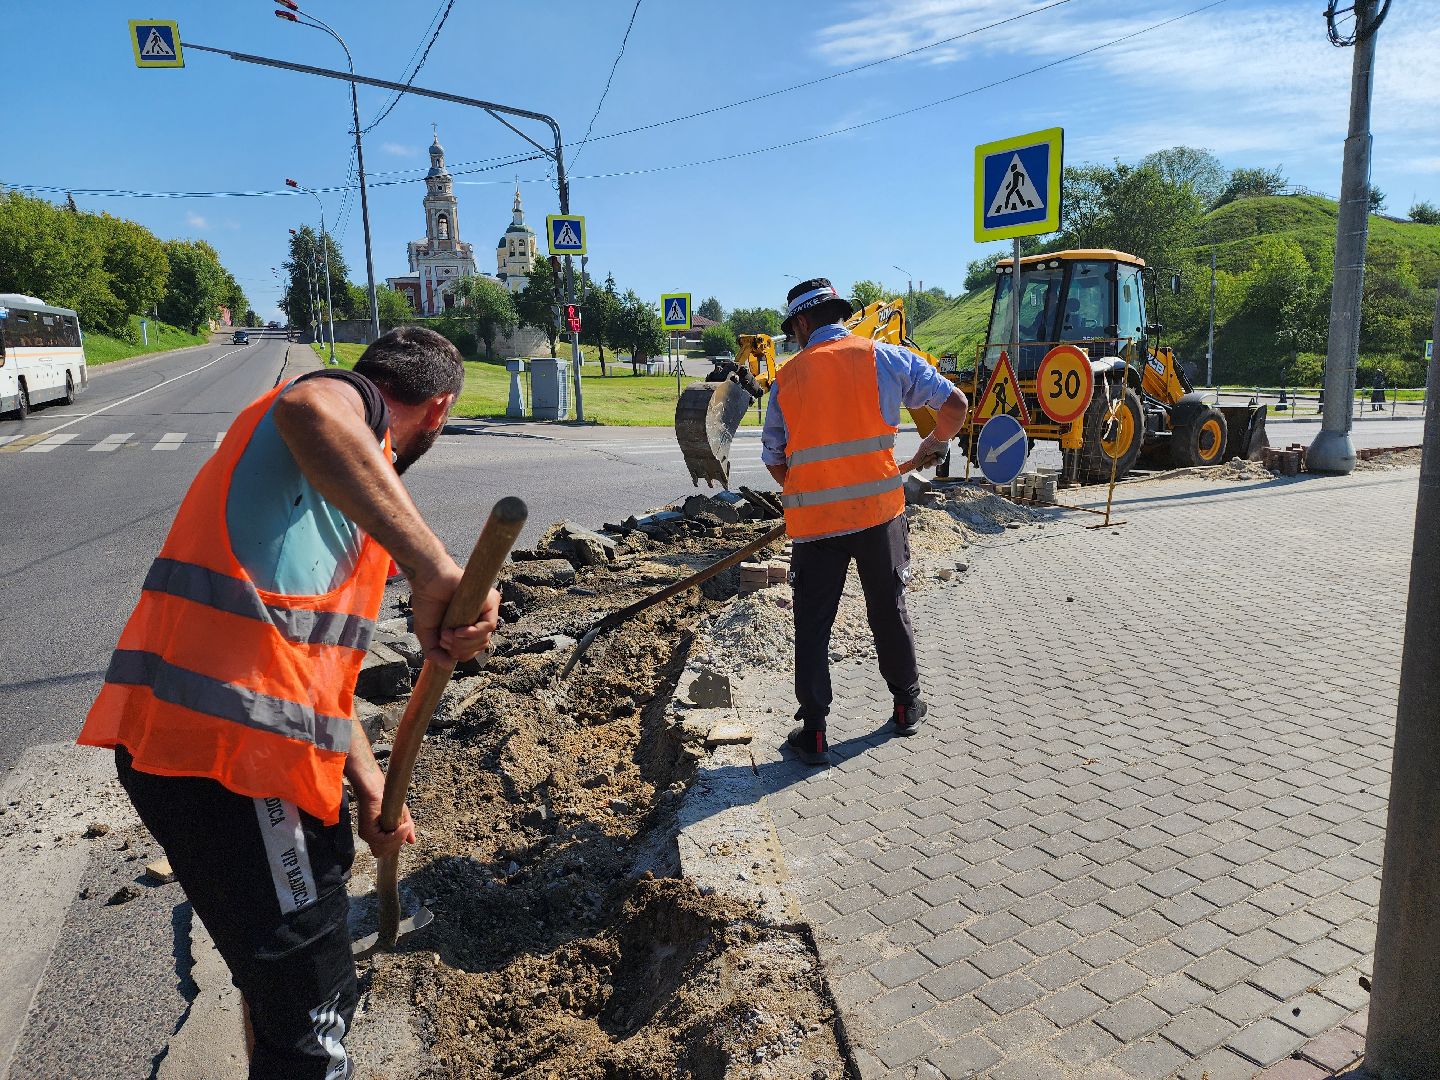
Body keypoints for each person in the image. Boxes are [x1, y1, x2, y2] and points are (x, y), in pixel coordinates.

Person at [77, 327, 500, 1079]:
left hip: (220, 761)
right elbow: (310, 408)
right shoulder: (341, 407)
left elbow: (308, 673)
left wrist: (369, 783)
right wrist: (434, 568)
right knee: (313, 1010)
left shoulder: (334, 495)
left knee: (277, 994)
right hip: (235, 771)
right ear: (438, 410)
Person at [763, 279, 969, 766]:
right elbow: (956, 406)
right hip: (879, 514)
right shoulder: (887, 357)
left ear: (802, 322)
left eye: (792, 332)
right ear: (839, 314)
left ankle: (815, 733)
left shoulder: (787, 379)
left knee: (813, 625)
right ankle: (906, 705)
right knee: (888, 609)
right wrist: (934, 443)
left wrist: (811, 489)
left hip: (816, 526)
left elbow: (774, 458)